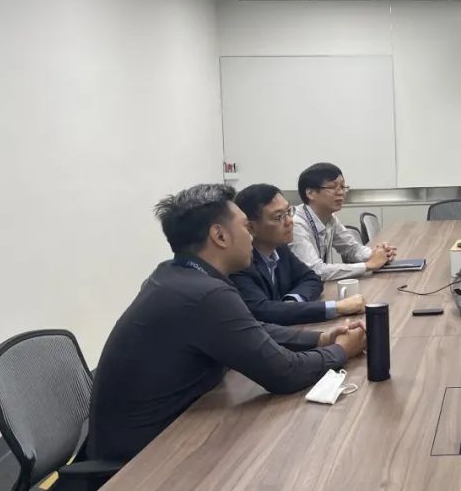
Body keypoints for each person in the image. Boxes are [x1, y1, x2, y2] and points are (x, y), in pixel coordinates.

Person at [88, 184, 368, 463]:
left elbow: (249, 329)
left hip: (161, 432)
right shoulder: (204, 294)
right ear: (220, 236)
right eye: (246, 227)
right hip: (143, 460)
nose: (251, 236)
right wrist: (342, 350)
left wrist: (320, 339)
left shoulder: (177, 274)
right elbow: (285, 374)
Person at [232, 183, 367, 325]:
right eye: (278, 217)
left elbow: (312, 278)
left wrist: (292, 301)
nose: (289, 221)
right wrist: (337, 307)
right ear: (251, 228)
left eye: (289, 212)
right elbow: (262, 310)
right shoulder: (239, 262)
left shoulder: (279, 249)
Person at [290, 162, 396, 281]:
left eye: (342, 187)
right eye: (332, 187)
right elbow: (316, 271)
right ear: (310, 193)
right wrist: (368, 265)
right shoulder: (295, 225)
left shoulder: (330, 218)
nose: (341, 192)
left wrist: (378, 254)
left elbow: (351, 249)